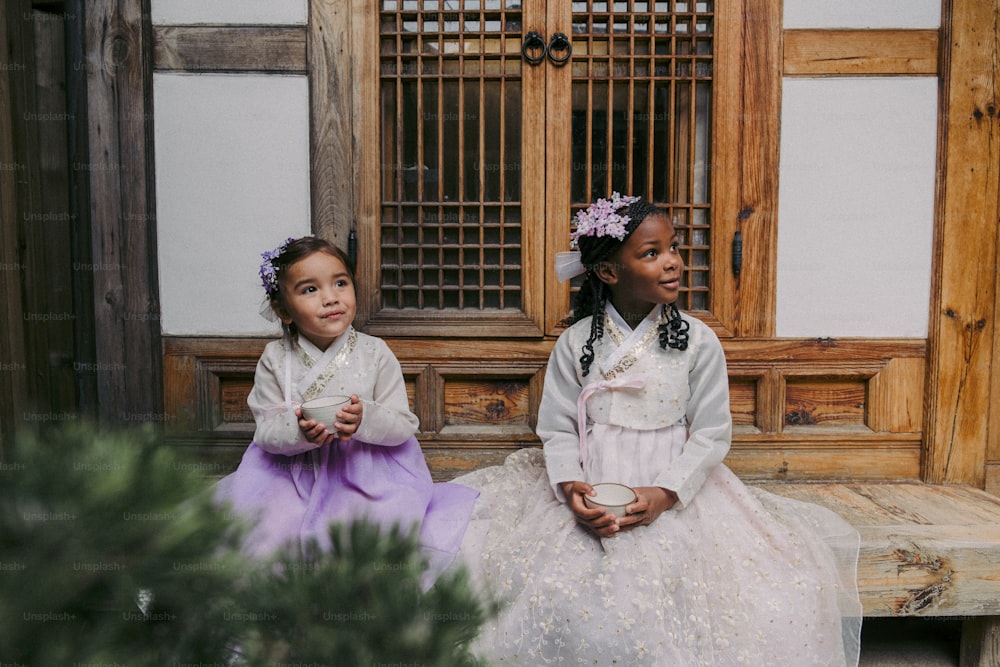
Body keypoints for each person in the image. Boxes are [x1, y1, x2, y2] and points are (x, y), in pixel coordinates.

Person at [454, 194, 862, 665]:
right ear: (608, 271)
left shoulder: (698, 341)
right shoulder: (575, 342)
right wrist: (571, 489)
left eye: (673, 247)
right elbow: (559, 428)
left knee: (745, 581)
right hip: (596, 476)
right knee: (557, 582)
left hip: (671, 479)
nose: (672, 262)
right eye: (651, 253)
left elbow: (711, 434)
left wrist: (665, 493)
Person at [215, 236, 478, 587]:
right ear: (283, 310)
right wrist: (298, 432)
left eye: (341, 283)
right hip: (291, 473)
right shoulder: (276, 359)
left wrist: (364, 418)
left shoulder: (375, 353)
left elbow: (402, 424)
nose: (331, 298)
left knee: (370, 539)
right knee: (263, 535)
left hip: (365, 470)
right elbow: (266, 430)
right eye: (310, 290)